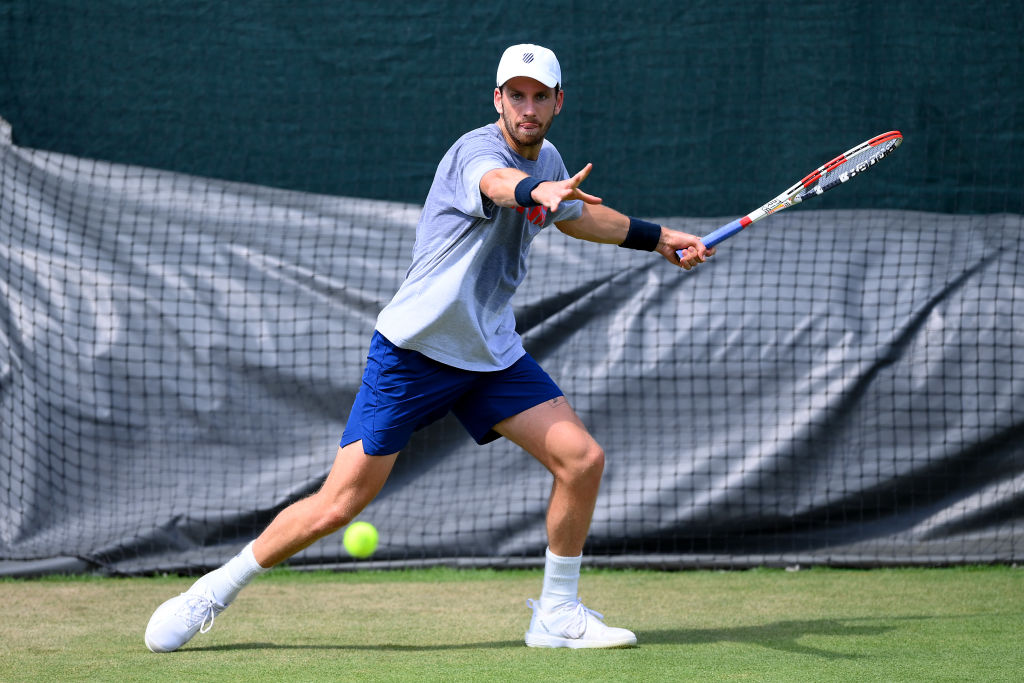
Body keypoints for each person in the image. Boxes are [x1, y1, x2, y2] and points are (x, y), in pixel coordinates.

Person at [144, 43, 713, 653]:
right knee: (339, 504)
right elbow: (501, 185)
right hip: (415, 352)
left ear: (557, 102)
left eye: (538, 96)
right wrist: (536, 193)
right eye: (515, 95)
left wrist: (657, 239)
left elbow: (577, 215)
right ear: (497, 99)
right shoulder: (476, 152)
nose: (527, 107)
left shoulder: (549, 156)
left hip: (489, 354)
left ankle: (556, 613)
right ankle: (212, 590)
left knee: (582, 460)